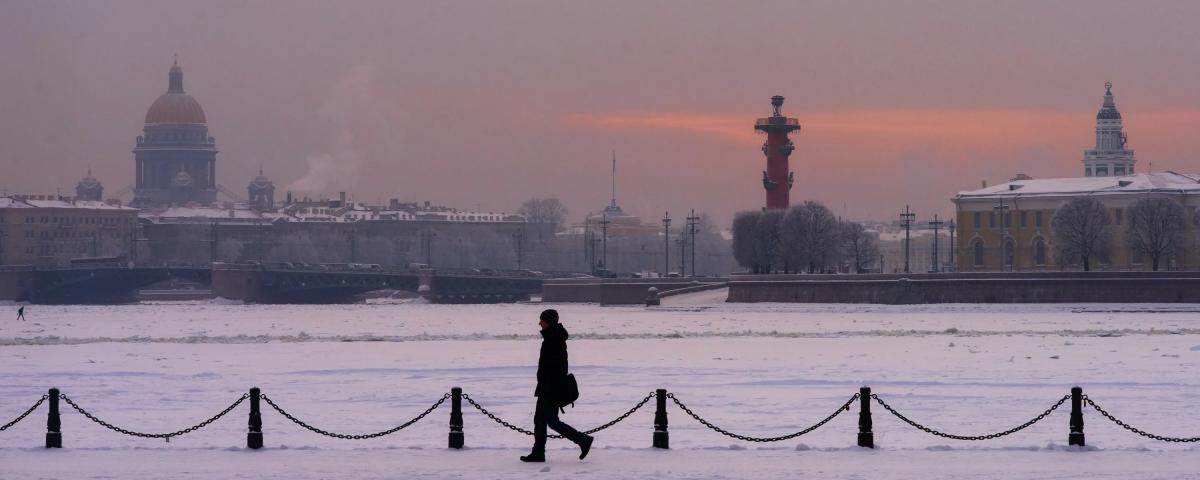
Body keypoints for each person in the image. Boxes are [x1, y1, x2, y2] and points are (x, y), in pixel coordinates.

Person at [520, 309, 593, 463]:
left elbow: (557, 367)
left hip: (550, 388)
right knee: (539, 420)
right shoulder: (552, 337)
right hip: (547, 387)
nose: (539, 323)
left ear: (549, 322)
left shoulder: (554, 339)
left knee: (552, 421)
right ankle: (538, 453)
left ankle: (582, 440)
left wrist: (548, 387)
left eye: (542, 320)